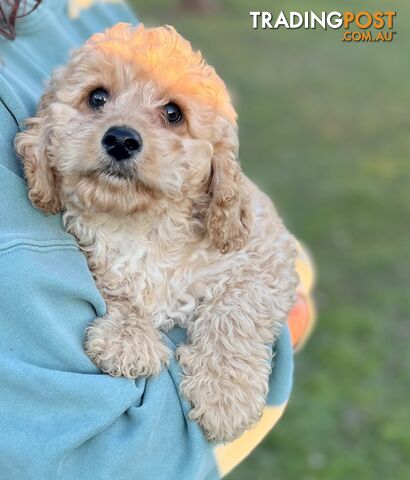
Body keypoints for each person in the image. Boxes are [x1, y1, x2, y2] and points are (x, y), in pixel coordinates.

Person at [0, 1, 315, 478]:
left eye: (171, 114)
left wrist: (230, 347)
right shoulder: (62, 238)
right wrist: (127, 318)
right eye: (98, 98)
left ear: (216, 168)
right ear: (43, 135)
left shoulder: (217, 223)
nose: (123, 132)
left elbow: (266, 258)